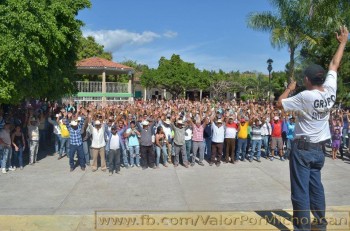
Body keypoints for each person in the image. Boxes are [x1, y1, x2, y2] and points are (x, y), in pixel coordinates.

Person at [277, 25, 348, 231]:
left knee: (300, 191)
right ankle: (320, 223)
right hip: (319, 150)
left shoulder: (305, 96)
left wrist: (289, 89)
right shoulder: (330, 91)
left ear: (307, 80)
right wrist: (343, 42)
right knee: (316, 186)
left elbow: (279, 104)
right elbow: (334, 64)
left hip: (303, 149)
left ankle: (303, 228)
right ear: (321, 78)